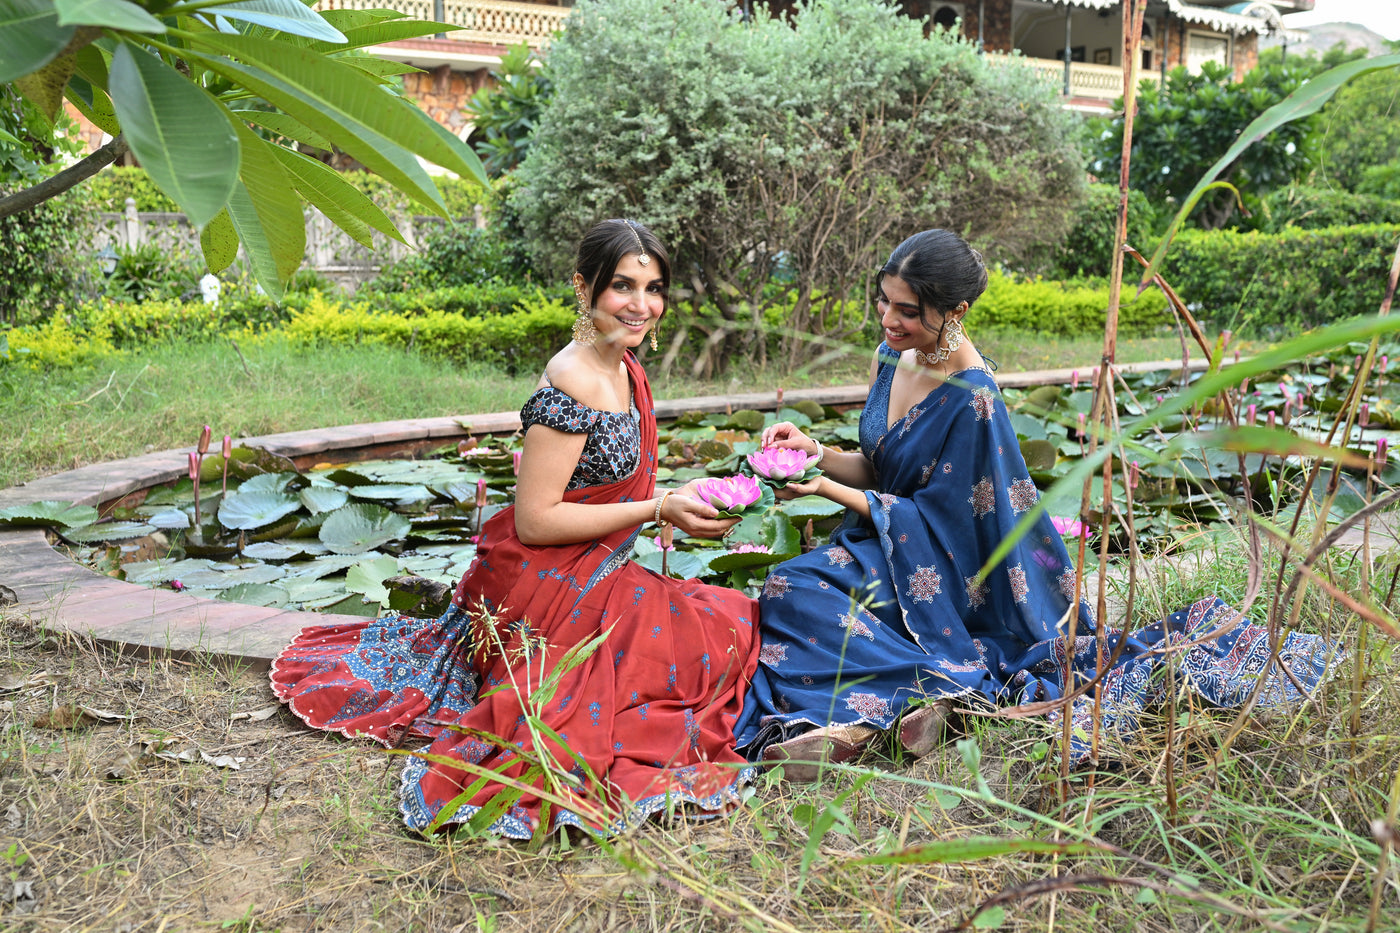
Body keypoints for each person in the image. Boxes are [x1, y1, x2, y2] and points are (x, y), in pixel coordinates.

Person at [733, 229, 1343, 779]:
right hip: (881, 540)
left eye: (908, 311)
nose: (889, 320)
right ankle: (865, 723)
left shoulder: (974, 398)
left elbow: (946, 520)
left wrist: (829, 493)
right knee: (792, 588)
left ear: (955, 312)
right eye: (884, 302)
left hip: (941, 570)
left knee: (798, 589)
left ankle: (935, 697)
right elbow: (881, 466)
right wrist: (816, 453)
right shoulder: (892, 356)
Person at [271, 220, 760, 836]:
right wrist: (658, 507)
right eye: (623, 287)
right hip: (544, 580)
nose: (642, 305)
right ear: (584, 289)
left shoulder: (624, 365)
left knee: (725, 624)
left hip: (595, 567)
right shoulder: (573, 379)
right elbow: (535, 521)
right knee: (626, 686)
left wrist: (676, 499)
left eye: (654, 287)